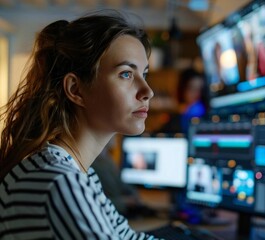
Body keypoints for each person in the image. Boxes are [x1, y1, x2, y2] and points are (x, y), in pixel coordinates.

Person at [0, 10, 159, 239]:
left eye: (144, 74)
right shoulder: (60, 181)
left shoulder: (80, 174)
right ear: (76, 89)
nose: (148, 91)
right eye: (126, 74)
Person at [160, 67, 206, 134]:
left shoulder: (204, 115)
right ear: (182, 89)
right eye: (192, 88)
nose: (197, 94)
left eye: (199, 89)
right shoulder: (175, 118)